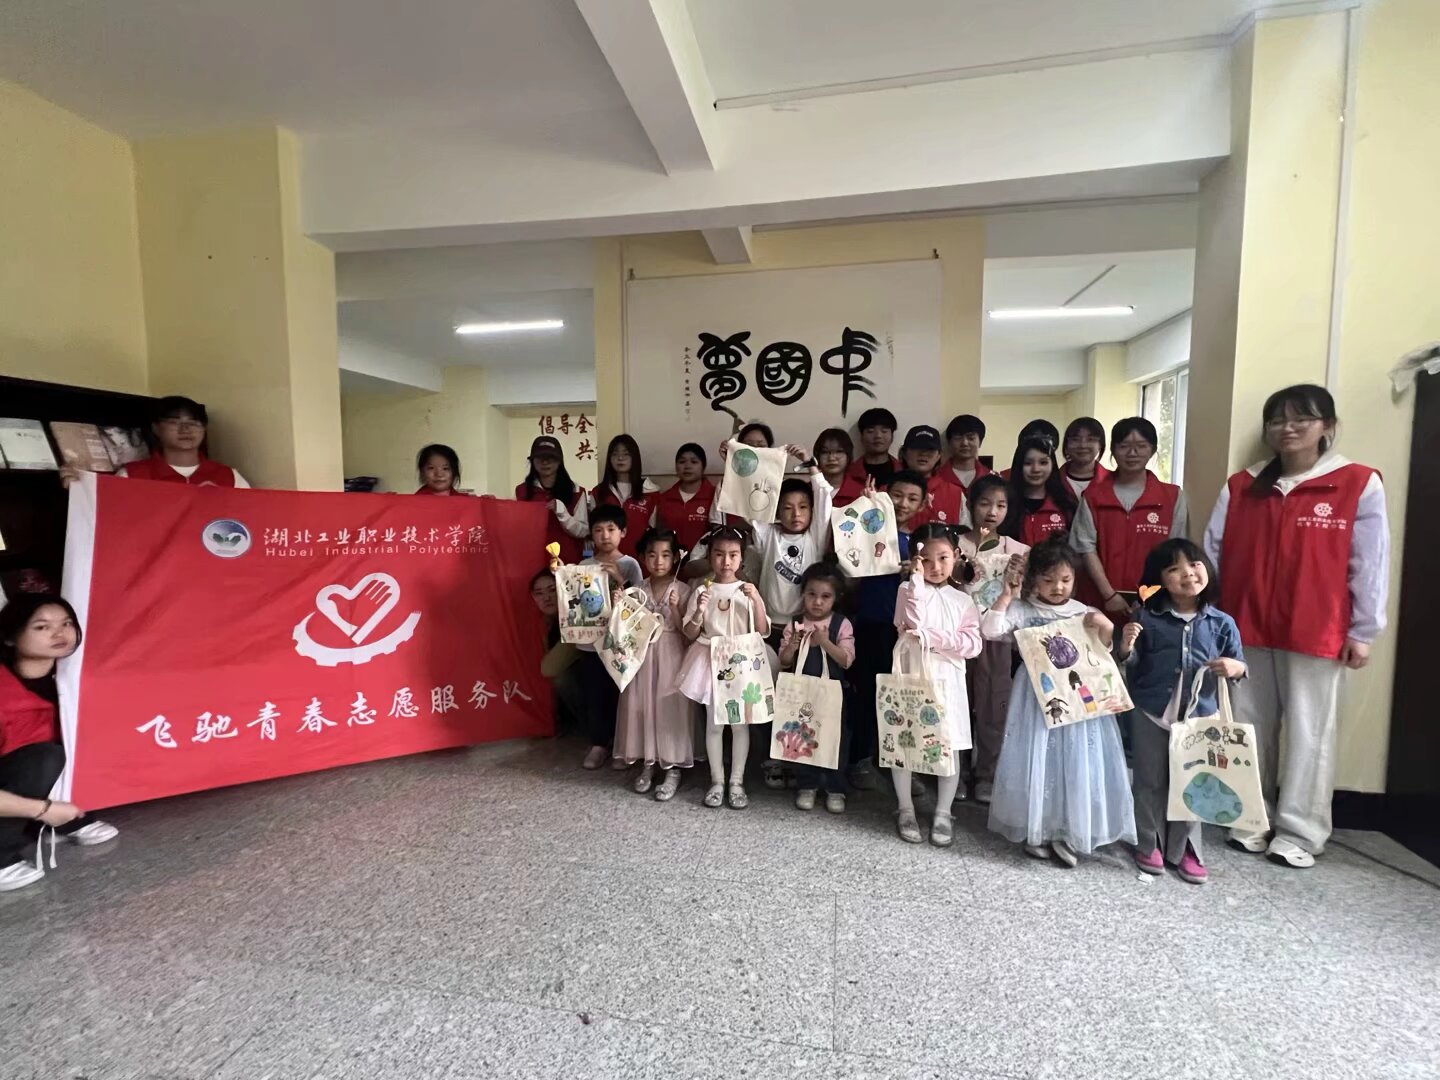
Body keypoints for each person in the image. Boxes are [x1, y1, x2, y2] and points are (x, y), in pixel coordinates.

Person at [1203, 384, 1389, 869]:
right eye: (1278, 420)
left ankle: (1300, 832)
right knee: (1246, 727)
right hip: (1243, 627)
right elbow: (1213, 554)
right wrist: (1210, 619)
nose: (1288, 428)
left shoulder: (1355, 483)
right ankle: (1249, 818)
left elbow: (1370, 563)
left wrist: (1363, 631)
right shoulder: (1242, 486)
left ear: (1327, 426)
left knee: (1311, 734)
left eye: (1301, 419)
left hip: (1316, 630)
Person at [983, 539, 1135, 865]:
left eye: (1065, 580)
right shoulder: (1022, 609)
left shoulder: (1083, 611)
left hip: (1078, 700)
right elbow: (990, 630)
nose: (1058, 587)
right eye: (1048, 579)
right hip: (1034, 698)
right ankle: (1038, 830)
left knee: (1075, 759)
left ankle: (1068, 830)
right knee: (1037, 757)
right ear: (1033, 579)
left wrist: (1106, 628)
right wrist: (1007, 594)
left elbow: (1103, 653)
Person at [1117, 539, 1246, 885]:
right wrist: (1126, 645)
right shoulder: (1146, 617)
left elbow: (1240, 664)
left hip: (1199, 716)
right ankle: (1149, 843)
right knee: (1149, 781)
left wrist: (1234, 667)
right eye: (1174, 569)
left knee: (1195, 782)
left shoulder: (1221, 622)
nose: (1187, 574)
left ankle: (1187, 848)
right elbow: (1131, 661)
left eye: (1194, 564)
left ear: (1207, 569)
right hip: (1151, 711)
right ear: (1158, 579)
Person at [725, 442, 833, 789]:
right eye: (786, 507)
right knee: (766, 695)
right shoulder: (767, 535)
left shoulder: (816, 537)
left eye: (802, 507)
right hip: (768, 627)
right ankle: (771, 758)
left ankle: (798, 760)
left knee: (799, 697)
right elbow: (752, 501)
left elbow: (825, 500)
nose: (795, 514)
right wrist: (735, 462)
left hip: (805, 629)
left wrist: (811, 465)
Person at [0, 595, 118, 893]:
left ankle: (66, 819)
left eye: (66, 624)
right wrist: (42, 809)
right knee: (44, 757)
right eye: (42, 627)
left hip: (35, 786)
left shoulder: (75, 679)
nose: (59, 633)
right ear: (10, 637)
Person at [889, 524, 984, 845]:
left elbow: (972, 645)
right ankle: (905, 808)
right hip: (912, 673)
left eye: (943, 557)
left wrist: (932, 638)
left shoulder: (963, 601)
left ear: (956, 556)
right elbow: (912, 622)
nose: (935, 566)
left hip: (948, 680)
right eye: (925, 559)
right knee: (904, 741)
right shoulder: (907, 590)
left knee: (949, 743)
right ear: (915, 560)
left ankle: (943, 811)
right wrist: (915, 581)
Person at [677, 527, 771, 810]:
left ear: (742, 558)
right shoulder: (702, 590)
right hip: (710, 659)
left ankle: (737, 781)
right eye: (719, 554)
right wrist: (698, 610)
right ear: (710, 557)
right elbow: (690, 633)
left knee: (740, 725)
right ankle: (717, 781)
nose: (726, 561)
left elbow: (763, 630)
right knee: (715, 723)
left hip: (741, 662)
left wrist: (756, 599)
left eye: (733, 555)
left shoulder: (747, 590)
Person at [848, 471, 927, 791]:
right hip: (871, 624)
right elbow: (848, 553)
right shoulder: (869, 530)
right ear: (884, 494)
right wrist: (866, 509)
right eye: (897, 495)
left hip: (908, 633)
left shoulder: (921, 543)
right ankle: (860, 760)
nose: (903, 503)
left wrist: (916, 572)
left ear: (923, 504)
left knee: (905, 697)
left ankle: (904, 764)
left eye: (912, 498)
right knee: (868, 694)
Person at [954, 475, 1029, 805]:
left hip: (996, 639)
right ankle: (955, 771)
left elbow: (1023, 597)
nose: (992, 511)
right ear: (971, 506)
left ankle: (986, 773)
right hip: (955, 638)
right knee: (956, 703)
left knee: (993, 705)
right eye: (984, 503)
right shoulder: (953, 544)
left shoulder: (1017, 550)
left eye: (1000, 505)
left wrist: (1019, 575)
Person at [1072, 417, 1189, 620]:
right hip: (1099, 603)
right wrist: (1109, 595)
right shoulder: (1093, 496)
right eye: (1124, 446)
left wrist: (1150, 596)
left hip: (1155, 604)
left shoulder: (1171, 497)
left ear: (1153, 450)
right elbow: (1085, 548)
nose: (1132, 453)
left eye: (1141, 446)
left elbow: (1175, 551)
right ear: (1113, 450)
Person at [612, 528, 694, 801]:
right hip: (643, 657)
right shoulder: (638, 590)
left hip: (672, 654)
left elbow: (687, 632)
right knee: (643, 706)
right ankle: (648, 761)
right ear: (643, 557)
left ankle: (672, 767)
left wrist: (677, 608)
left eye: (666, 555)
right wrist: (619, 605)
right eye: (652, 555)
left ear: (676, 557)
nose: (659, 561)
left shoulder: (683, 589)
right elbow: (626, 627)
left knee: (670, 709)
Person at [777, 564, 856, 814]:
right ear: (803, 593)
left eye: (825, 596)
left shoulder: (841, 624)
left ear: (836, 598)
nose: (817, 602)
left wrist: (824, 642)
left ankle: (835, 787)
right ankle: (807, 785)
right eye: (811, 594)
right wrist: (793, 645)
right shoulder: (795, 623)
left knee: (834, 739)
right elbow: (784, 661)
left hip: (833, 695)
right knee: (802, 738)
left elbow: (846, 660)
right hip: (801, 696)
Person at [572, 504, 644, 771]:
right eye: (598, 530)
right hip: (590, 643)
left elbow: (640, 602)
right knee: (594, 694)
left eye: (611, 529)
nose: (605, 535)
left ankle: (622, 745)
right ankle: (598, 744)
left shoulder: (630, 564)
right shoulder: (583, 566)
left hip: (619, 644)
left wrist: (619, 579)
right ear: (591, 534)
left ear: (623, 532)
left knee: (620, 695)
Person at [118, 396, 249, 487]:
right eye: (174, 422)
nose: (185, 429)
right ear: (156, 428)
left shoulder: (229, 476)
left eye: (193, 423)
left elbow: (248, 516)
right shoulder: (130, 475)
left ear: (204, 429)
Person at [516, 436, 589, 565]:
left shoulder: (576, 491)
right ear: (533, 461)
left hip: (568, 563)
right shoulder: (522, 491)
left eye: (551, 457)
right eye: (540, 457)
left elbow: (583, 531)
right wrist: (493, 505)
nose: (545, 462)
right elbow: (515, 527)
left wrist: (562, 512)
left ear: (559, 461)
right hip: (532, 562)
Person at [529, 568, 583, 735]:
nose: (546, 597)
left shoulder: (577, 618)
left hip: (592, 688)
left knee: (561, 678)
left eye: (552, 590)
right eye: (539, 593)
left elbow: (548, 669)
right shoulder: (543, 624)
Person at [589, 434, 660, 559]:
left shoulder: (651, 493)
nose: (620, 458)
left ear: (635, 458)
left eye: (626, 454)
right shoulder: (598, 492)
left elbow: (654, 533)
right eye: (615, 454)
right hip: (604, 562)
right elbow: (592, 531)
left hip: (639, 562)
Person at [1008, 437, 1076, 546]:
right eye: (1028, 463)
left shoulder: (1067, 505)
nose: (1036, 469)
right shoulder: (1006, 505)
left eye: (1043, 462)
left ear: (1052, 465)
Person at [653, 443, 715, 555]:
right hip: (670, 562)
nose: (687, 466)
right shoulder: (664, 498)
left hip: (703, 563)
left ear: (703, 467)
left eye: (694, 462)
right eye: (682, 462)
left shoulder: (715, 497)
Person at [901, 425, 966, 530]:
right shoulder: (887, 491)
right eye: (917, 447)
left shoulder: (955, 494)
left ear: (939, 455)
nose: (923, 453)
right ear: (904, 453)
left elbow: (967, 534)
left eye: (930, 449)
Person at [846, 408, 900, 486]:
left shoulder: (903, 472)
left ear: (892, 436)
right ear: (861, 436)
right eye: (870, 431)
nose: (878, 436)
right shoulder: (849, 473)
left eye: (884, 431)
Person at [813, 428, 865, 507]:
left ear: (848, 456)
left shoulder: (860, 492)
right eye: (825, 452)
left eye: (839, 451)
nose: (831, 458)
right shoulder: (806, 490)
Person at [943, 414, 991, 496]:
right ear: (949, 442)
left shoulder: (991, 479)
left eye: (971, 438)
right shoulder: (936, 478)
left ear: (980, 442)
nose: (964, 443)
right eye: (958, 438)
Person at [1060, 418, 1108, 498]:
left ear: (1100, 445)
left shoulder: (1114, 481)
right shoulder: (1051, 480)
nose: (1083, 445)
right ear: (1066, 445)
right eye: (1075, 439)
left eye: (1090, 439)